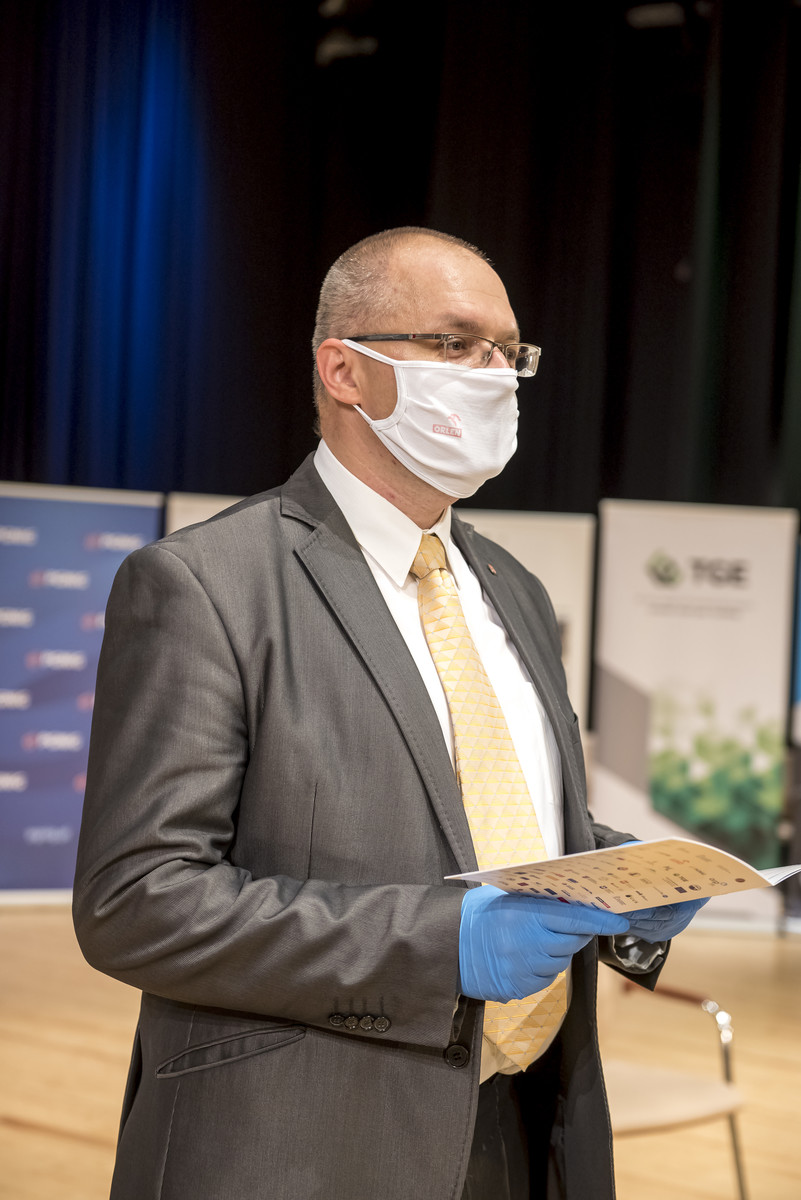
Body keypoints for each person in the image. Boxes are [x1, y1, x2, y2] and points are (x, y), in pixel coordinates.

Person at [73, 227, 704, 1200]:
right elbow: (136, 902)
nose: (495, 375)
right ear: (344, 371)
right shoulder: (205, 585)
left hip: (526, 1129)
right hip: (305, 1145)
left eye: (509, 351)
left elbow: (482, 811)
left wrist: (619, 876)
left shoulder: (513, 587)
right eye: (455, 344)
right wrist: (439, 943)